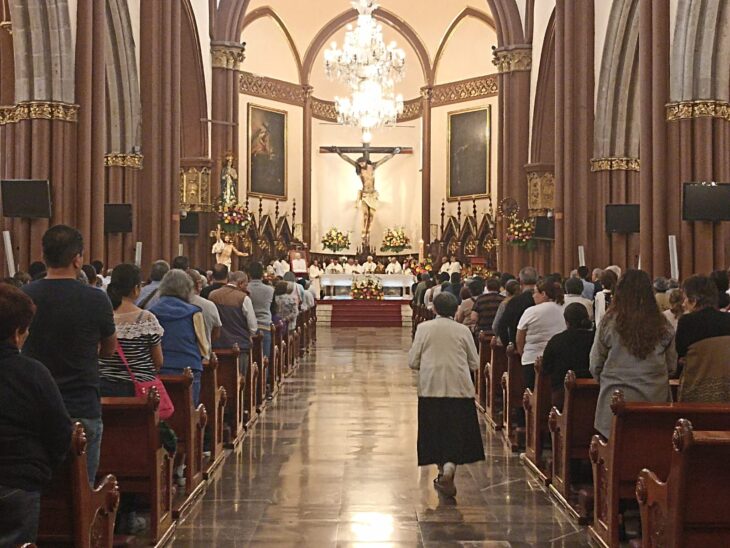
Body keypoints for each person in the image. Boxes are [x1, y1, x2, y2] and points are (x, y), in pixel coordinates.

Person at [22, 225, 116, 484]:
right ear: (77, 259)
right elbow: (110, 349)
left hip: (35, 404)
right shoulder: (96, 299)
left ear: (44, 256)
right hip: (81, 403)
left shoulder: (26, 295)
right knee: (81, 488)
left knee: (38, 486)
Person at [0, 284, 73, 546]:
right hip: (18, 480)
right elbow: (60, 431)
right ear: (16, 333)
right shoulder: (32, 373)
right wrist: (43, 467)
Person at [408, 292, 484, 498]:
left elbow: (413, 361)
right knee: (455, 431)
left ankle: (443, 470)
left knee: (435, 431)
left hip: (431, 388)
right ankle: (449, 468)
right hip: (459, 388)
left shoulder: (424, 328)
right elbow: (475, 362)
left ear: (434, 308)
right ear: (455, 309)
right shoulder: (462, 330)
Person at [590, 269, 676, 438]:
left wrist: (609, 380)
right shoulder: (663, 324)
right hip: (654, 406)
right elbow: (671, 366)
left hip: (614, 405)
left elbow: (595, 364)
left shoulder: (609, 322)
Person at [99, 264, 165, 397]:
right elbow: (158, 361)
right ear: (136, 288)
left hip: (105, 387)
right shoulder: (146, 318)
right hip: (139, 390)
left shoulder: (102, 315)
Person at [149, 270, 208, 406]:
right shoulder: (194, 312)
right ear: (187, 288)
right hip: (189, 367)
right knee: (189, 410)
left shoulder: (151, 312)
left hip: (160, 368)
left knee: (161, 410)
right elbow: (204, 348)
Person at [675, 275, 730, 402]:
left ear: (694, 300)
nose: (683, 304)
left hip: (697, 392)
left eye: (685, 298)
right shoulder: (728, 320)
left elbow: (680, 353)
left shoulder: (687, 322)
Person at [541, 303, 594, 409]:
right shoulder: (595, 339)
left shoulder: (557, 340)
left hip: (561, 395)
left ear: (566, 321)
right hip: (592, 393)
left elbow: (546, 367)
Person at [516, 277, 565, 390]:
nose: (533, 296)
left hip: (532, 359)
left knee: (532, 394)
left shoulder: (531, 311)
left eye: (535, 292)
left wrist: (522, 353)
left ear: (544, 294)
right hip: (556, 360)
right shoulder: (562, 309)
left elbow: (519, 338)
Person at [209, 271, 258, 375]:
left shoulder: (213, 295)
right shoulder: (243, 298)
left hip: (217, 344)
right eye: (246, 285)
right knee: (239, 378)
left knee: (219, 377)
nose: (247, 288)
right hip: (240, 345)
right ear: (240, 283)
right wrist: (251, 335)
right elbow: (253, 326)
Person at [247, 262, 275, 394]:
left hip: (248, 326)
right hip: (264, 325)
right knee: (264, 357)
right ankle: (262, 387)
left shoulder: (245, 288)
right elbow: (273, 308)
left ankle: (250, 388)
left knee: (250, 357)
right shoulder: (270, 289)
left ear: (249, 274)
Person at [497, 266, 538, 347]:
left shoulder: (514, 301)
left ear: (521, 281)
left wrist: (509, 344)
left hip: (517, 345)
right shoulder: (544, 300)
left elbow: (502, 325)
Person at [188, 269, 222, 362]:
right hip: (202, 355)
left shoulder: (174, 304)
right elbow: (216, 332)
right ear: (199, 284)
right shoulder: (209, 305)